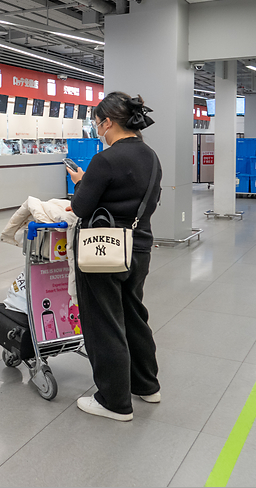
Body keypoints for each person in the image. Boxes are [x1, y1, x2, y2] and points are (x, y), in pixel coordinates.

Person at [65, 92, 162, 422]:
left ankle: (114, 400)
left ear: (107, 122)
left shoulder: (105, 160)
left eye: (97, 122)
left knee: (104, 322)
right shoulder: (151, 156)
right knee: (134, 314)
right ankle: (147, 385)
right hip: (140, 247)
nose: (97, 128)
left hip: (104, 249)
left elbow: (81, 207)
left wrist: (80, 182)